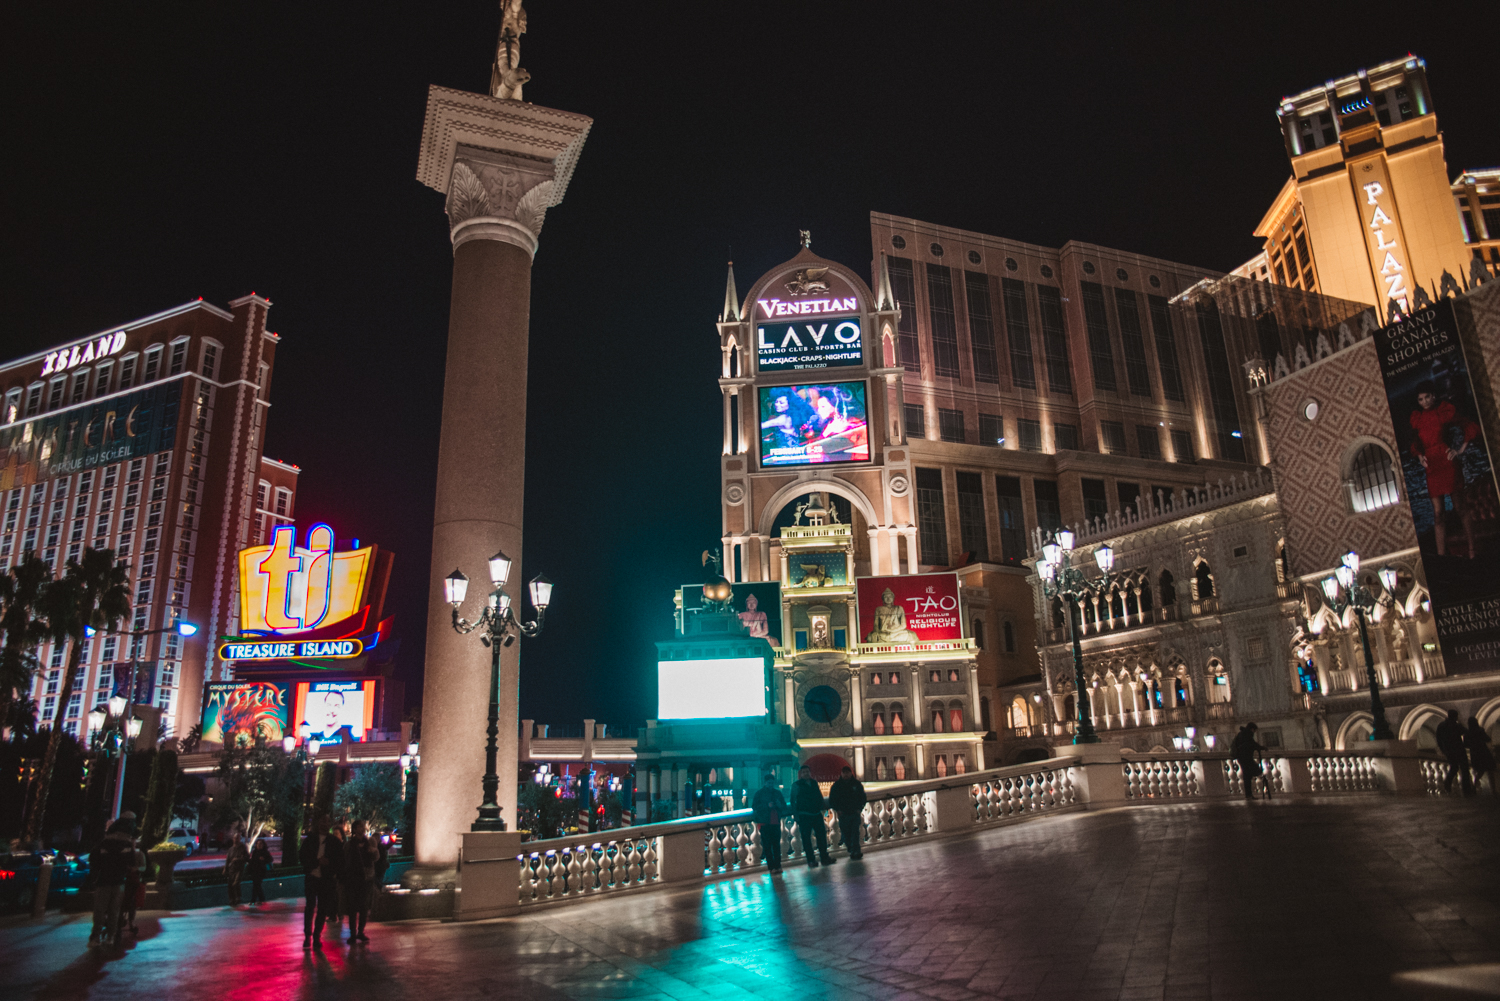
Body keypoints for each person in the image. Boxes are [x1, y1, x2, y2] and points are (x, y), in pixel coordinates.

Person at [1410, 383, 1478, 559]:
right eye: (1420, 399)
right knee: (1438, 513)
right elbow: (1415, 443)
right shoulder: (1417, 418)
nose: (1424, 401)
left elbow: (1468, 425)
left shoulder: (1443, 411)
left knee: (1459, 506)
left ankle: (1472, 550)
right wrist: (1419, 456)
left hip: (1447, 462)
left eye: (1427, 397)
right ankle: (1442, 558)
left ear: (1433, 396)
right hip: (1432, 466)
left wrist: (1459, 449)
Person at [87, 819, 135, 947]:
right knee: (114, 911)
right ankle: (110, 936)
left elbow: (93, 861)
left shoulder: (103, 844)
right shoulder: (126, 846)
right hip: (118, 881)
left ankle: (96, 936)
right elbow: (132, 863)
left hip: (104, 880)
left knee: (100, 911)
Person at [791, 765, 835, 867]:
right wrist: (796, 815)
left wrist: (823, 807)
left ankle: (824, 857)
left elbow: (819, 795)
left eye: (807, 772)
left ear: (810, 773)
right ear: (801, 774)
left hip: (816, 814)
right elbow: (793, 801)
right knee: (806, 839)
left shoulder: (814, 783)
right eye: (804, 772)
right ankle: (811, 860)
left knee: (822, 837)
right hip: (804, 815)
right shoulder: (796, 785)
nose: (806, 773)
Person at [299, 817, 332, 948]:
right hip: (312, 877)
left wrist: (329, 866)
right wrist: (316, 862)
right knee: (310, 907)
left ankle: (316, 936)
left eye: (326, 822)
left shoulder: (332, 842)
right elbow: (303, 856)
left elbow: (338, 860)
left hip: (325, 879)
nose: (324, 824)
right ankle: (308, 936)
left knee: (322, 908)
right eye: (322, 821)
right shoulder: (310, 840)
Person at [343, 820, 378, 943]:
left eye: (363, 827)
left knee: (364, 907)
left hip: (366, 878)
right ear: (354, 829)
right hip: (353, 878)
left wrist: (373, 851)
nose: (362, 829)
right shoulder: (349, 844)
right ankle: (353, 933)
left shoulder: (369, 842)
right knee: (352, 907)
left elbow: (376, 857)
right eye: (359, 827)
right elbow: (345, 860)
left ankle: (360, 931)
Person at [750, 773, 788, 875]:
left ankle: (777, 866)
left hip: (774, 822)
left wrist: (778, 805)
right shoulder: (760, 793)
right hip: (765, 823)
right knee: (768, 846)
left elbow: (783, 806)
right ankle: (772, 867)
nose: (770, 784)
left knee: (775, 846)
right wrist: (767, 805)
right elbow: (754, 807)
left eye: (772, 783)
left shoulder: (775, 793)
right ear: (765, 783)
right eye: (769, 783)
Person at [828, 766, 868, 861]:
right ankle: (851, 849)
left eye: (847, 772)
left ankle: (856, 851)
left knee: (855, 832)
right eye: (844, 772)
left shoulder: (856, 784)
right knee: (846, 833)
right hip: (843, 814)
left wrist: (859, 808)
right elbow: (832, 800)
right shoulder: (837, 786)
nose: (846, 774)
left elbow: (863, 797)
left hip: (854, 812)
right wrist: (837, 809)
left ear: (851, 773)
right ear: (841, 774)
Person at [1436, 709, 1474, 795]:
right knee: (1464, 769)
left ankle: (1447, 783)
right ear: (1455, 717)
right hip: (1459, 749)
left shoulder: (1441, 726)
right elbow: (1466, 732)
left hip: (1449, 750)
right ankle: (1466, 789)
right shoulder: (1456, 725)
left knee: (1454, 767)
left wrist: (1443, 750)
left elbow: (1438, 739)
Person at [1230, 723, 1266, 800]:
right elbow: (1252, 744)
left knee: (1247, 776)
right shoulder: (1247, 735)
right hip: (1246, 758)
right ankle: (1249, 794)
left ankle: (1248, 794)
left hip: (1242, 758)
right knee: (1249, 775)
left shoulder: (1241, 734)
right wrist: (1261, 748)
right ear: (1252, 729)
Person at [1466, 717, 1497, 798]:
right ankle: (1493, 790)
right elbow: (1487, 739)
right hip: (1484, 752)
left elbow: (1465, 744)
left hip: (1475, 753)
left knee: (1480, 771)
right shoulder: (1480, 730)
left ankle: (1474, 786)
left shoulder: (1467, 733)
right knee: (1490, 771)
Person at [224, 834, 249, 905]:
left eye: (237, 838)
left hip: (239, 868)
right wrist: (225, 868)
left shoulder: (243, 848)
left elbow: (247, 858)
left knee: (236, 883)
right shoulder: (231, 849)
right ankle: (232, 899)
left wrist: (238, 859)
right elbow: (228, 859)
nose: (235, 839)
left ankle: (238, 898)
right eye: (235, 838)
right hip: (231, 869)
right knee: (230, 884)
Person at [248, 837, 274, 905]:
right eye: (258, 844)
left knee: (256, 885)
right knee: (257, 885)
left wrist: (264, 859)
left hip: (261, 870)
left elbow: (270, 859)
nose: (259, 845)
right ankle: (261, 899)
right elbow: (253, 860)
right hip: (255, 870)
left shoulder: (265, 852)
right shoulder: (255, 852)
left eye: (260, 844)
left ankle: (253, 900)